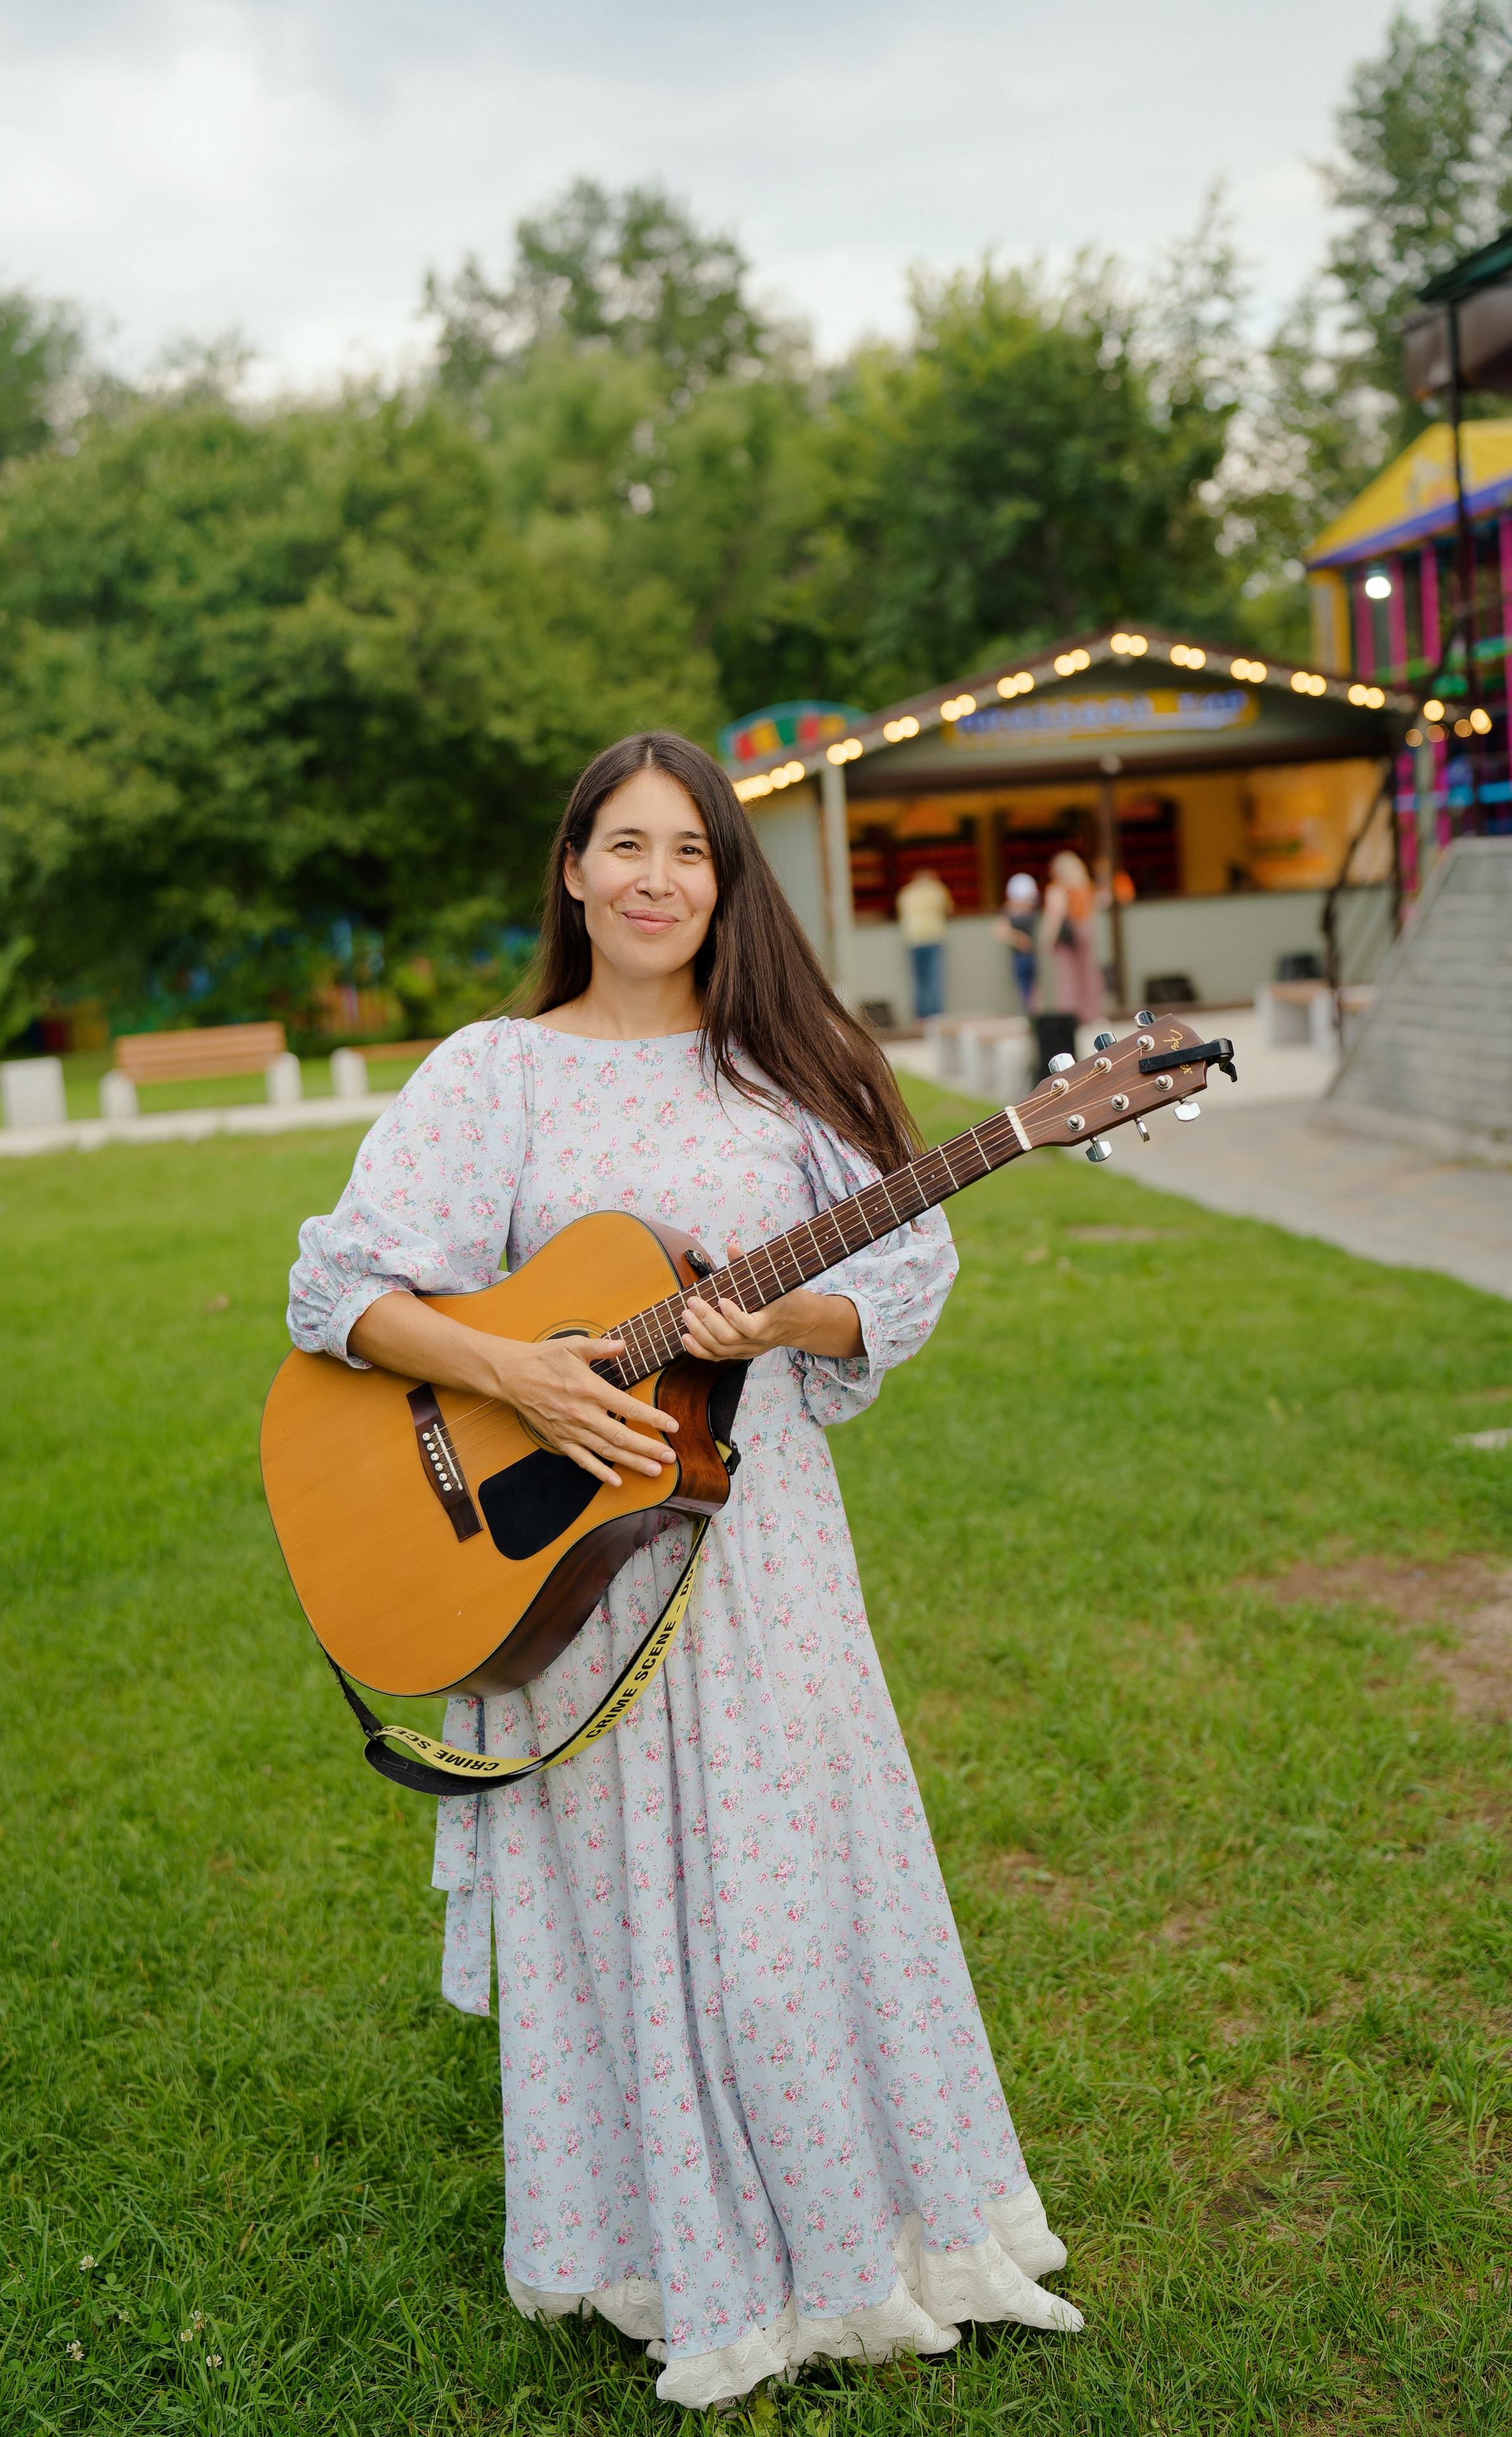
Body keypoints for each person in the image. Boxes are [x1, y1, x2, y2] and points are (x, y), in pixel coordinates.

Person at [286, 732, 1081, 2413]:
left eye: (691, 853)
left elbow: (910, 1262)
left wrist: (785, 1315)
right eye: (623, 846)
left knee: (797, 1905)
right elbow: (341, 1289)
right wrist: (514, 1373)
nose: (656, 879)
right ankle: (666, 2255)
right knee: (619, 1906)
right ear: (572, 872)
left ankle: (862, 2243)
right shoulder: (494, 1071)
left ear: (728, 883)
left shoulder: (786, 1070)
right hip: (563, 1568)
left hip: (764, 1544)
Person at [1042, 847, 1105, 1027]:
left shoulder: (1058, 889)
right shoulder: (1085, 887)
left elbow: (1055, 916)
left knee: (1067, 976)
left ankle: (1070, 1017)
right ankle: (1092, 1014)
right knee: (1088, 973)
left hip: (1067, 936)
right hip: (1085, 930)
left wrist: (1048, 940)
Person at [895, 866, 953, 1021]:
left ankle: (921, 1017)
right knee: (935, 979)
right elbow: (948, 910)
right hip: (933, 938)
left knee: (920, 981)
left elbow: (901, 914)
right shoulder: (938, 890)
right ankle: (936, 1016)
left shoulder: (907, 893)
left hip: (913, 940)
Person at [991, 871, 1040, 1010]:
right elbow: (999, 930)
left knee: (1033, 987)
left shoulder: (1027, 910)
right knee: (1024, 987)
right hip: (1020, 956)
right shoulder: (1011, 911)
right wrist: (1019, 939)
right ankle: (1028, 1013)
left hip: (1030, 955)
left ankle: (1033, 1013)